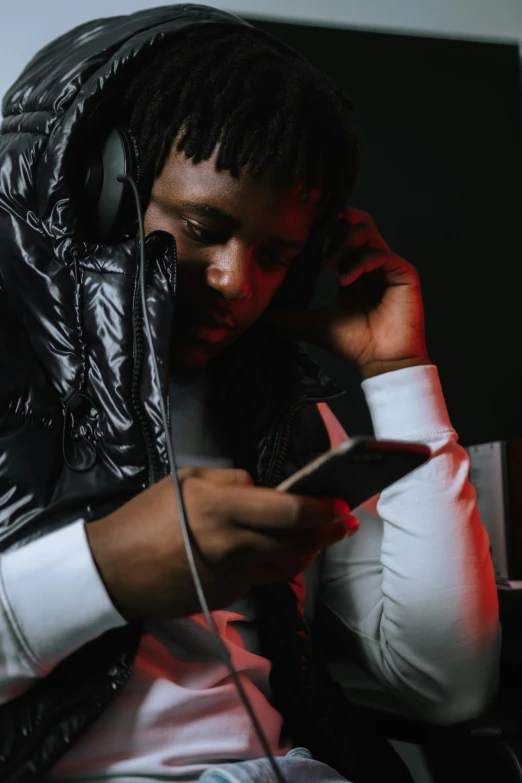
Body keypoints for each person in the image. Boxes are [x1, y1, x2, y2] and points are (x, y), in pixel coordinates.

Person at [0, 5, 500, 783]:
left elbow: (445, 682)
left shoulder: (278, 408)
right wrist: (103, 571)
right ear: (101, 188)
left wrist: (397, 370)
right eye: (202, 226)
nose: (238, 283)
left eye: (276, 255)